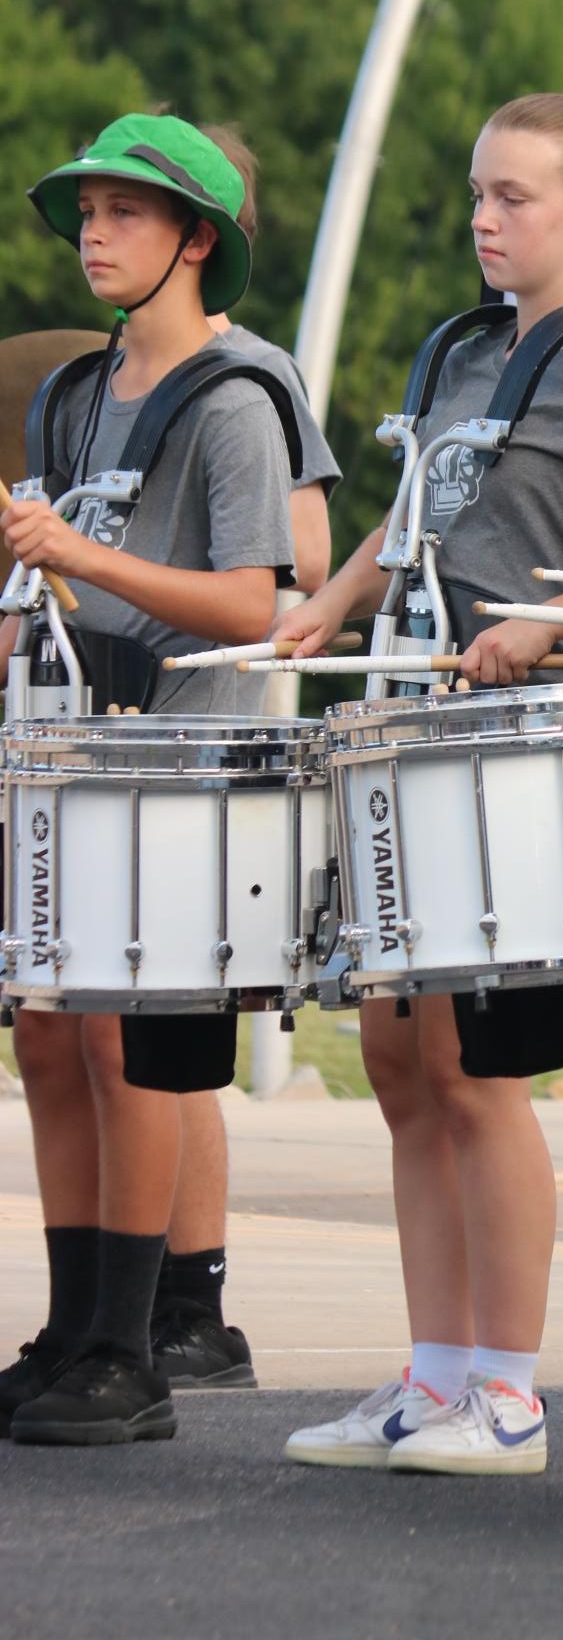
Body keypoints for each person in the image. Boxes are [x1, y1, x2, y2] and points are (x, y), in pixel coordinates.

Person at [277, 92, 563, 1477]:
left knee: (474, 1068)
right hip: (415, 733)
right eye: (477, 192)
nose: (482, 216)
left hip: (525, 752)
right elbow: (415, 521)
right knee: (401, 1058)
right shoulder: (465, 350)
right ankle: (433, 1373)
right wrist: (328, 606)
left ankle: (509, 1395)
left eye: (513, 197)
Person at [0, 112, 297, 1445]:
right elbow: (49, 579)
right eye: (85, 213)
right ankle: (70, 1329)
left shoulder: (237, 399)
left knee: (129, 1046)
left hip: (179, 758)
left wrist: (80, 558)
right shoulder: (73, 393)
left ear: (196, 238)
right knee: (52, 1032)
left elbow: (254, 604)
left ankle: (135, 1341)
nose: (93, 235)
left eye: (123, 212)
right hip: (69, 750)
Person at [150, 121, 342, 1396]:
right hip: (107, 739)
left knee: (169, 1042)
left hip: (202, 728)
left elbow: (305, 562)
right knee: (121, 1040)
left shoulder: (253, 380)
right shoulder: (98, 382)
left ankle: (191, 1299)